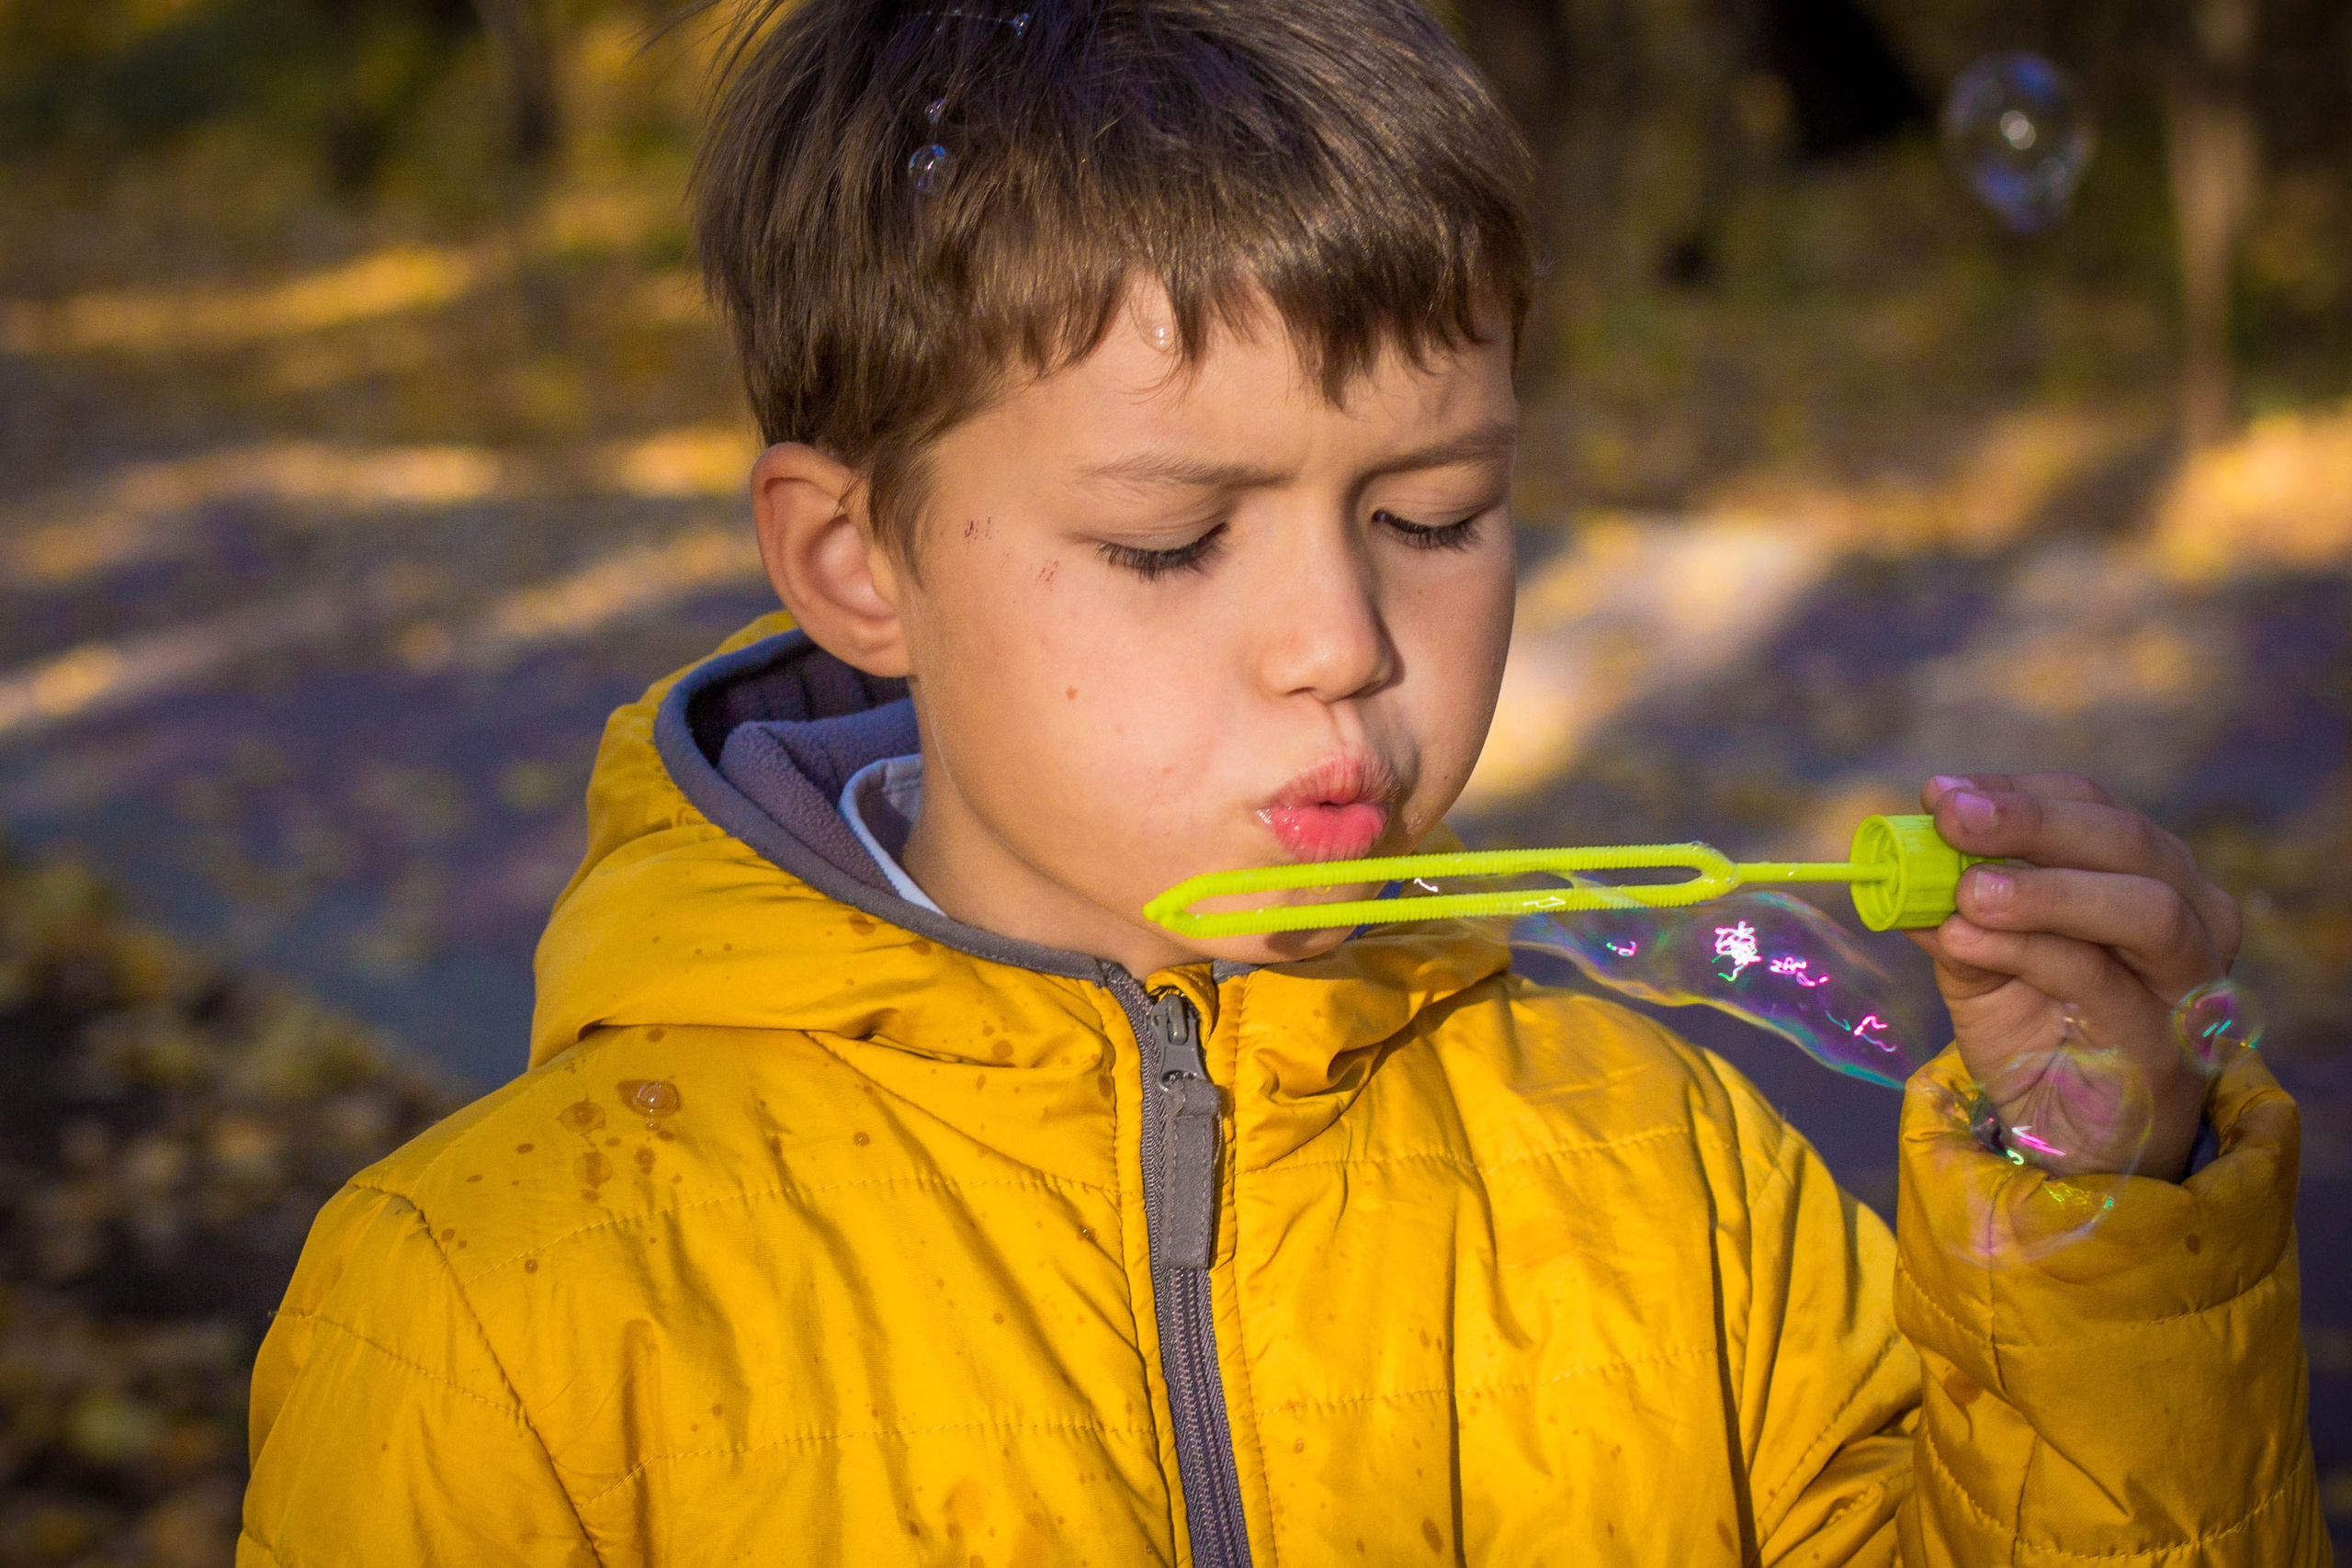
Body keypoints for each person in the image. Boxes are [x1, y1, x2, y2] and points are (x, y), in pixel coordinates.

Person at [237, 1, 2322, 1562]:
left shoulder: (1678, 1175)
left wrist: (2100, 1239)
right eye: (1170, 540)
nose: (1338, 637)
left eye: (1428, 511)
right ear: (852, 561)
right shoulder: (488, 1297)